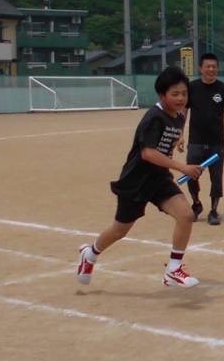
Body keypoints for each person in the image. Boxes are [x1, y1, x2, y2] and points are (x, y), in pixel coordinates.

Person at [75, 66, 205, 288]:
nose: (181, 98)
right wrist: (182, 167)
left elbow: (167, 143)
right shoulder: (153, 117)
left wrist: (177, 144)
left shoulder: (179, 116)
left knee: (185, 214)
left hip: (159, 179)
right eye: (175, 94)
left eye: (184, 93)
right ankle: (90, 252)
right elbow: (148, 153)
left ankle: (173, 270)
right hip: (136, 180)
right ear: (161, 95)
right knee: (120, 230)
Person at [179, 53, 224, 226]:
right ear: (201, 68)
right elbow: (183, 111)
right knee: (191, 175)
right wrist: (180, 134)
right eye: (208, 66)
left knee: (216, 178)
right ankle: (196, 204)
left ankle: (214, 210)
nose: (211, 69)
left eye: (214, 66)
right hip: (196, 142)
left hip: (217, 143)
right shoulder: (191, 88)